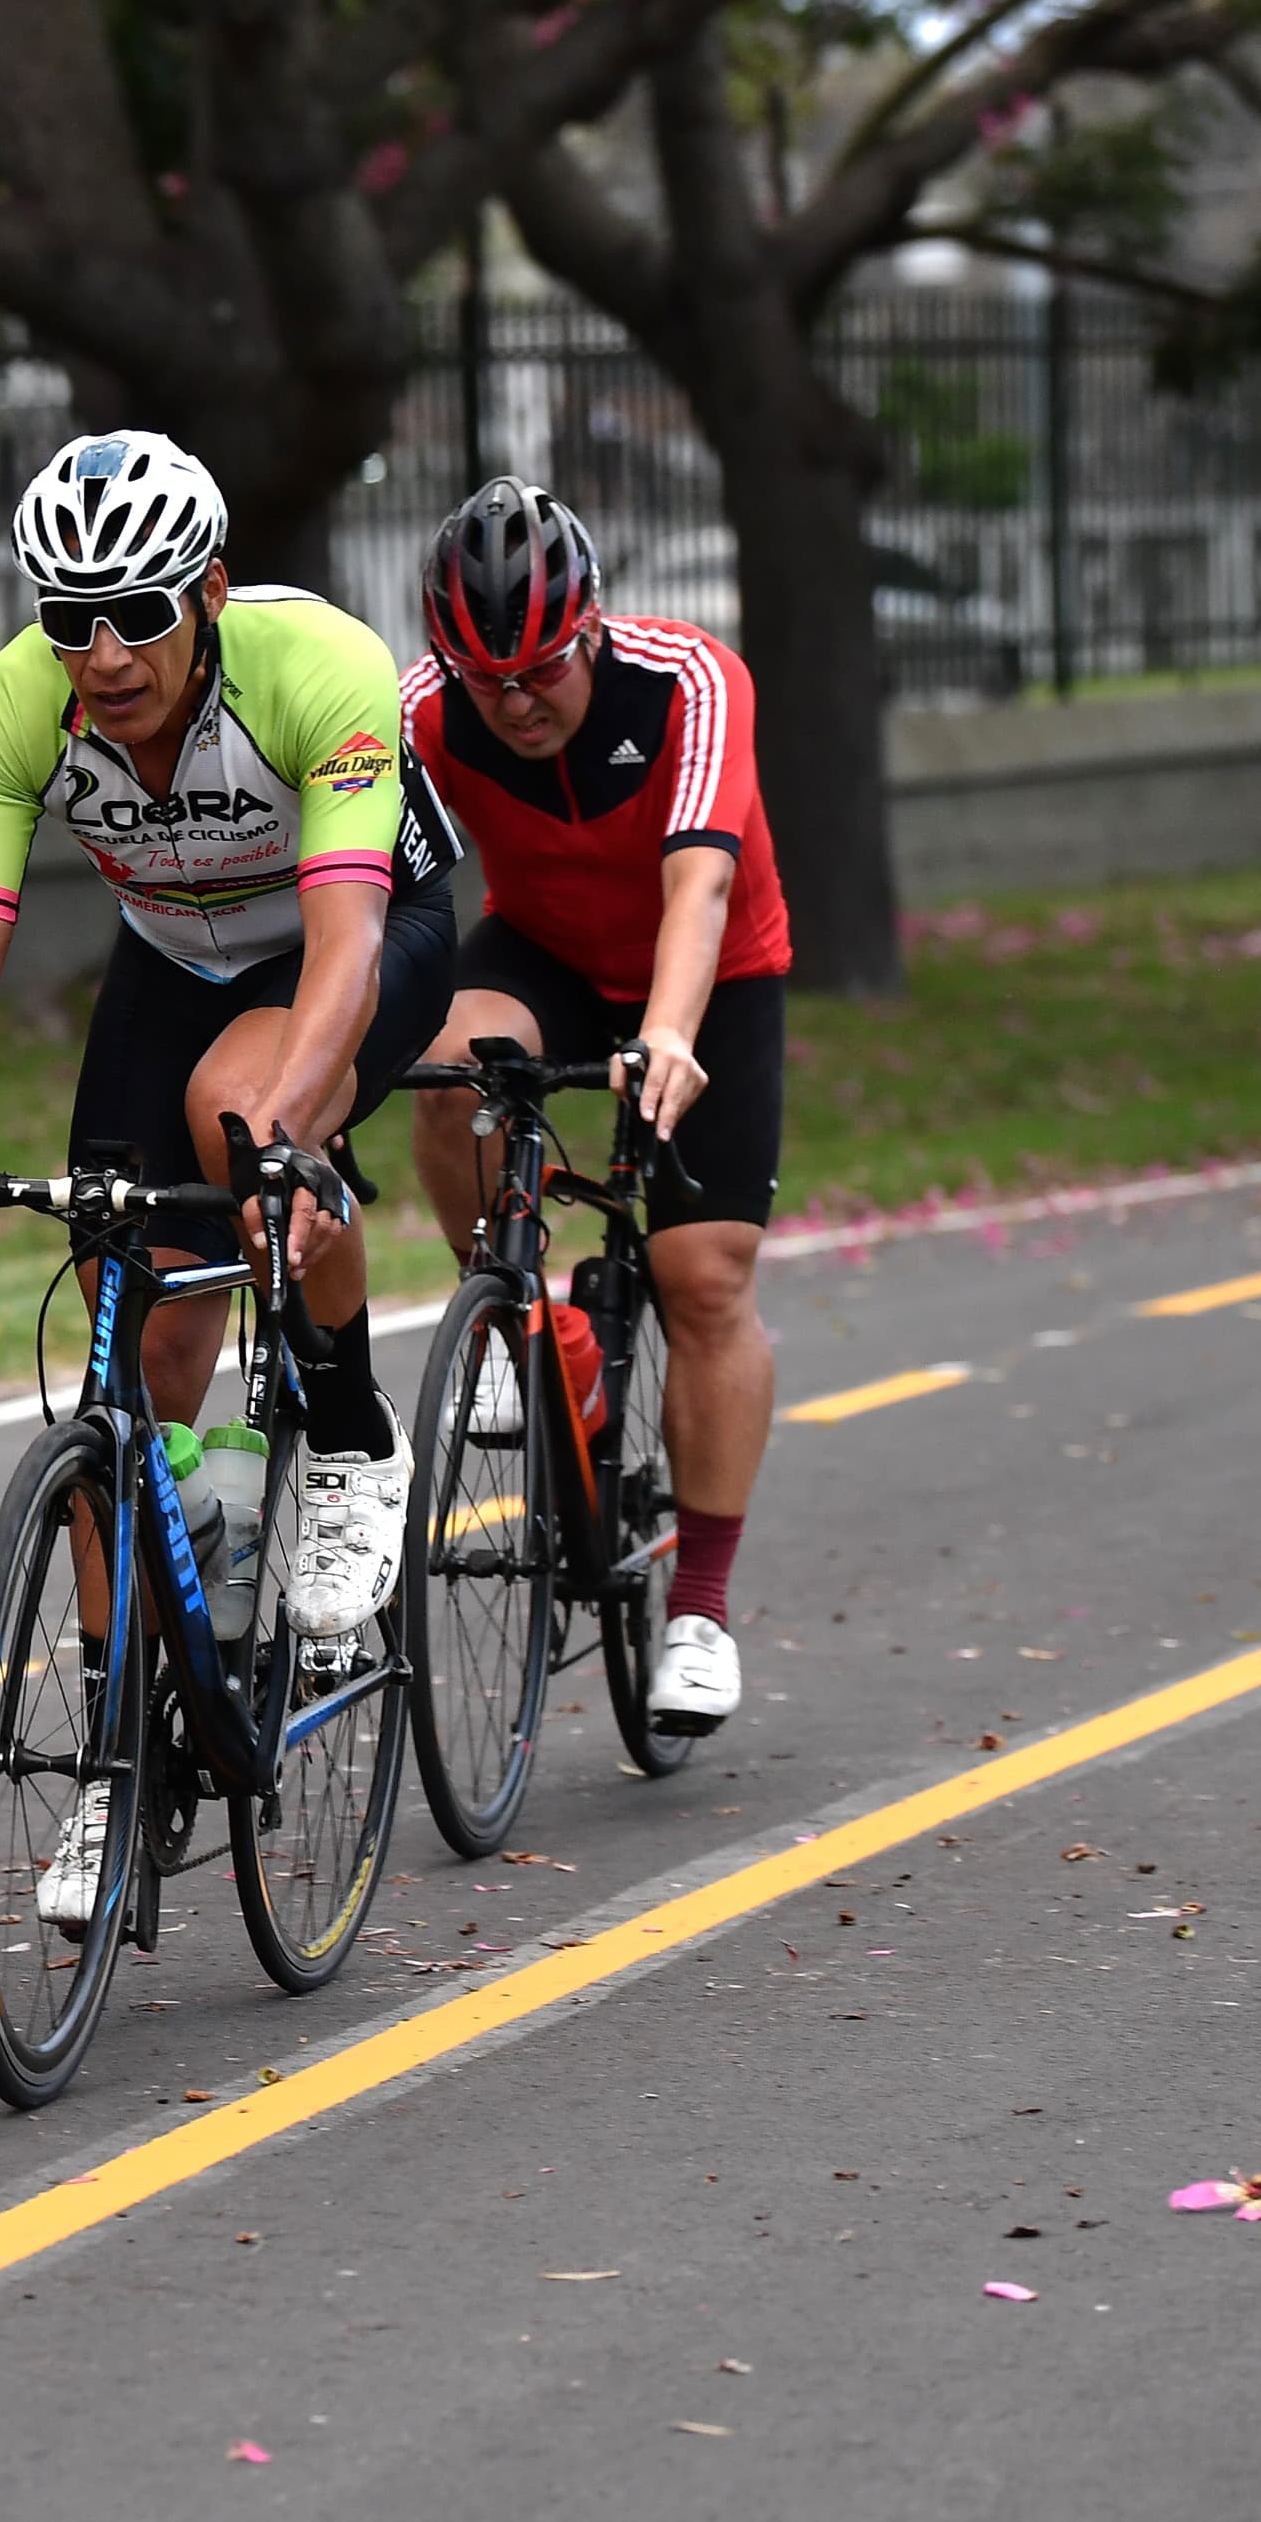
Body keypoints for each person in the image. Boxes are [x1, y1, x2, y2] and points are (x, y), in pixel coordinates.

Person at [0, 430, 463, 1916]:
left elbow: (348, 943)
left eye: (138, 615)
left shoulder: (320, 670)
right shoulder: (13, 708)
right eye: (66, 619)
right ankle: (126, 1752)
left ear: (210, 592)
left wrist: (292, 1126)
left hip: (357, 932)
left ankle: (349, 1436)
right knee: (121, 1336)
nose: (100, 654)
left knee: (246, 1117)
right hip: (173, 953)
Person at [403, 477, 788, 1736]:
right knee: (450, 1065)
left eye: (539, 669)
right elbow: (361, 877)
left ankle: (703, 1607)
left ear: (593, 629)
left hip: (709, 971)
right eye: (481, 676)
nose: (511, 702)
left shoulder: (689, 683)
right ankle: (513, 1305)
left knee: (702, 1278)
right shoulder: (425, 713)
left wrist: (668, 1034)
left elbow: (698, 893)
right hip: (547, 952)